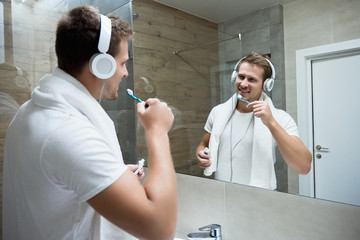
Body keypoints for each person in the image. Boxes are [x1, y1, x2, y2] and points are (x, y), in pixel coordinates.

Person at [3, 5, 176, 240]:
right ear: (101, 65)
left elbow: (59, 175)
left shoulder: (30, 111)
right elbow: (159, 228)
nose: (125, 73)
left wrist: (110, 173)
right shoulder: (68, 130)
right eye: (123, 63)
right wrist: (158, 132)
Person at [196, 52, 312, 190]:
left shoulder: (280, 118)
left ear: (266, 85)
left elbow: (303, 166)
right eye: (241, 77)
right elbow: (204, 145)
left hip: (258, 198)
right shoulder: (218, 112)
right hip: (222, 194)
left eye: (252, 79)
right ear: (234, 77)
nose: (243, 84)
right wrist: (201, 154)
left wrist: (271, 123)